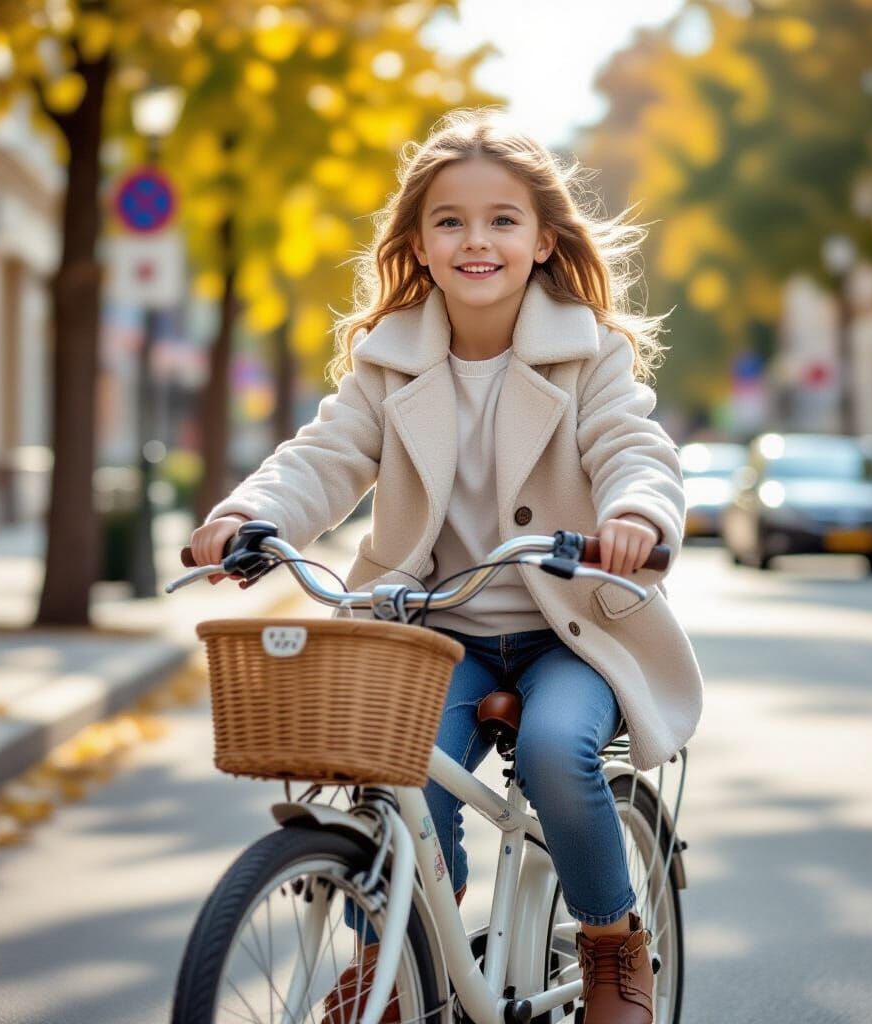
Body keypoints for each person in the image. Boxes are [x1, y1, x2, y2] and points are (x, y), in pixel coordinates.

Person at [189, 107, 703, 1024]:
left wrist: (635, 514)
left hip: (565, 633)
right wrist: (247, 515)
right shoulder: (388, 367)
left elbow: (635, 447)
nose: (478, 240)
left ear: (544, 240)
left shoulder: (591, 356)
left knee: (555, 751)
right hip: (435, 633)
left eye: (503, 220)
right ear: (419, 246)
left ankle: (613, 942)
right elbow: (324, 456)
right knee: (404, 770)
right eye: (451, 221)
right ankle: (407, 960)